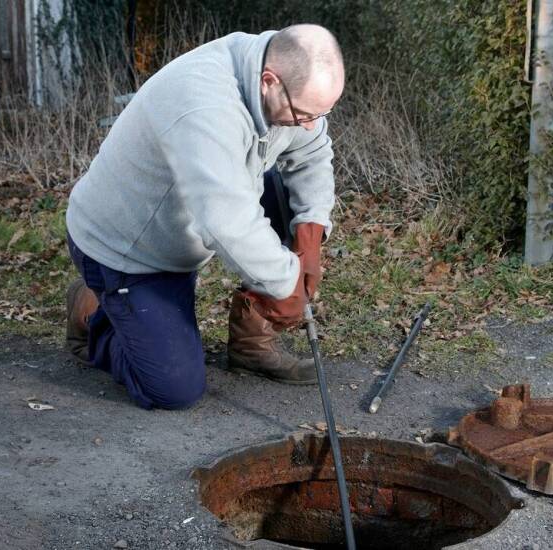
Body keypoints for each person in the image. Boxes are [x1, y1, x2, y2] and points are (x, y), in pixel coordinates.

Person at [63, 24, 344, 410]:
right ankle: (93, 311)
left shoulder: (289, 82)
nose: (311, 125)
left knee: (283, 193)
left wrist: (309, 243)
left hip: (187, 221)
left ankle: (251, 344)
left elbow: (313, 154)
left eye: (321, 114)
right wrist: (286, 285)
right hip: (127, 249)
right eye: (305, 115)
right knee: (174, 388)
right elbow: (225, 220)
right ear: (268, 82)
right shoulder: (204, 103)